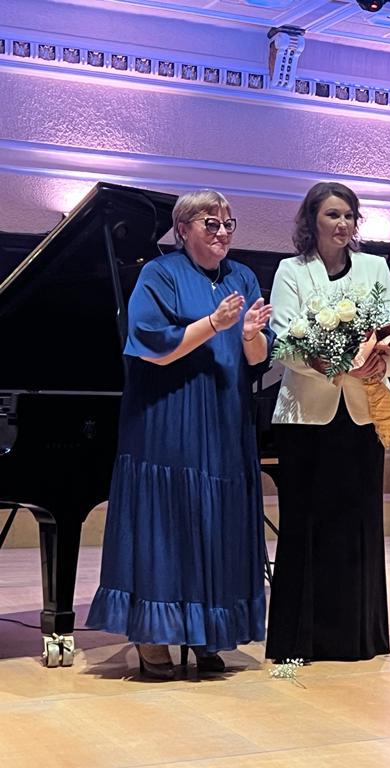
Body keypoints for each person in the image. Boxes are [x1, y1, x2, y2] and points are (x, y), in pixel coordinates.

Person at [87, 189, 274, 679]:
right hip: (168, 418)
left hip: (225, 417)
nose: (222, 232)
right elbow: (155, 347)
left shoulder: (242, 276)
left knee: (217, 521)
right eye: (211, 223)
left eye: (228, 224)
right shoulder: (159, 274)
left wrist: (250, 334)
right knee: (169, 520)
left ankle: (208, 631)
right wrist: (214, 323)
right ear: (183, 229)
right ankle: (153, 635)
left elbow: (257, 360)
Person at [265, 182, 390, 663]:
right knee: (304, 522)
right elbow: (283, 338)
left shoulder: (375, 268)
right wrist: (328, 363)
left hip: (360, 413)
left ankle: (358, 638)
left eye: (348, 216)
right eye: (332, 215)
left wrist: (383, 358)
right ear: (312, 221)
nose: (342, 224)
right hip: (305, 414)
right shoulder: (291, 270)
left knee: (358, 521)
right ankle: (299, 640)